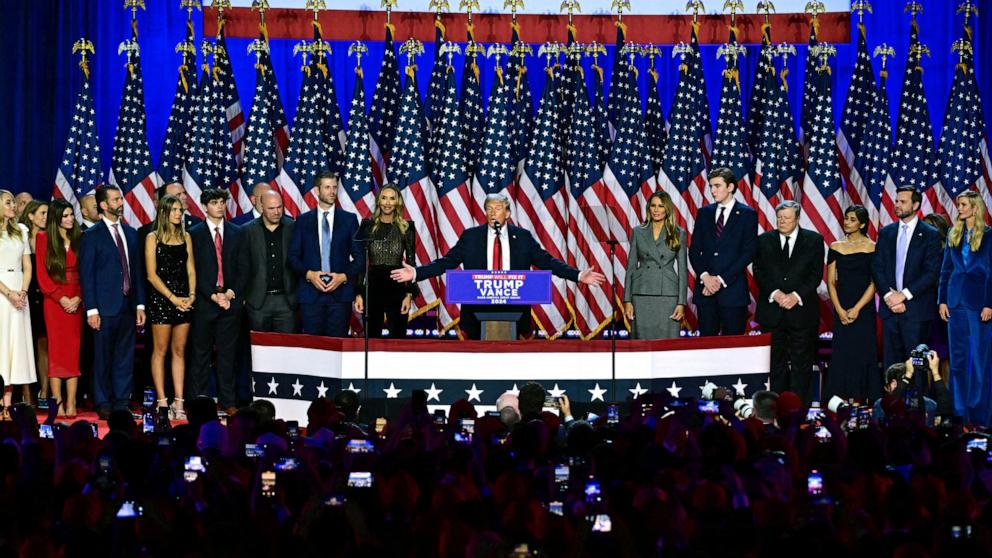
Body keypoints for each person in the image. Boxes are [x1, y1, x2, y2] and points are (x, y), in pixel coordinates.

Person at [390, 193, 605, 340]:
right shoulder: (471, 236)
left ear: (508, 213)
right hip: (477, 311)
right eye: (489, 209)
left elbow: (547, 261)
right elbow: (447, 262)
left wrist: (577, 276)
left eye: (498, 208)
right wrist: (416, 272)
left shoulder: (522, 237)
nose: (493, 213)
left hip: (514, 311)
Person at [79, 185, 146, 419]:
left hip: (127, 306)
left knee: (124, 357)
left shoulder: (131, 233)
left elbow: (136, 271)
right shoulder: (91, 235)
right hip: (104, 308)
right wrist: (92, 310)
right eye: (116, 199)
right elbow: (87, 276)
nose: (121, 202)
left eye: (121, 198)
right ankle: (102, 401)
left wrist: (140, 305)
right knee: (102, 357)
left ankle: (121, 401)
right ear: (104, 205)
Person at [871, 186, 942, 392]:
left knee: (917, 365)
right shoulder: (886, 233)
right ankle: (892, 408)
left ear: (916, 205)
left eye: (903, 201)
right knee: (891, 365)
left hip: (917, 311)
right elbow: (877, 267)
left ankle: (918, 411)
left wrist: (903, 295)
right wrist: (888, 296)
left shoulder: (930, 235)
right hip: (890, 310)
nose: (897, 205)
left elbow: (931, 272)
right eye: (897, 200)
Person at [753, 201, 824, 403]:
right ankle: (774, 407)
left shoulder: (814, 240)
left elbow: (815, 275)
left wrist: (795, 296)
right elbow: (758, 271)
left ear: (798, 218)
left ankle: (797, 409)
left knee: (802, 365)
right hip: (772, 313)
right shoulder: (764, 240)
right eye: (779, 217)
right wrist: (775, 293)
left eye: (787, 218)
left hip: (802, 313)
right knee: (775, 364)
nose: (782, 221)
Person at [188, 189, 246, 416]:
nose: (220, 206)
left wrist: (230, 294)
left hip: (230, 304)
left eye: (222, 202)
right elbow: (194, 271)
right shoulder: (194, 234)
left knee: (227, 355)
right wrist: (212, 295)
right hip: (205, 303)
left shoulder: (237, 232)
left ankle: (227, 400)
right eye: (214, 202)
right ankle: (198, 401)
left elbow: (244, 268)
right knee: (200, 354)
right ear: (204, 206)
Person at [938, 191, 992, 425]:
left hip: (979, 303)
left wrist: (990, 303)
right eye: (958, 205)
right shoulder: (954, 232)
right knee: (958, 359)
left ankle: (979, 414)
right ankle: (959, 412)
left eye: (963, 205)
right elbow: (946, 270)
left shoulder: (989, 236)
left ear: (974, 208)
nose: (958, 208)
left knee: (979, 360)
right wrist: (942, 300)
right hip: (955, 301)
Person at [288, 172, 364, 337]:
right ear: (317, 190)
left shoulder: (349, 219)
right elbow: (293, 257)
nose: (332, 192)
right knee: (313, 349)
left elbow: (360, 257)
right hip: (310, 296)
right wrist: (310, 275)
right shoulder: (302, 221)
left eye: (335, 187)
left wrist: (343, 277)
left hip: (340, 296)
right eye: (327, 187)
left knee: (337, 349)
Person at [688, 167, 758, 336]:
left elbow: (748, 253)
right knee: (706, 346)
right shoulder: (704, 213)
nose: (713, 191)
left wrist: (719, 280)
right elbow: (695, 250)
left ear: (730, 187)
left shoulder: (747, 214)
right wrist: (705, 277)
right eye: (711, 186)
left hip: (732, 292)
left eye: (717, 186)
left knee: (732, 347)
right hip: (706, 293)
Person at [145, 194, 196, 420]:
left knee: (179, 351)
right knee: (161, 350)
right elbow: (151, 275)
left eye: (180, 210)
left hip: (184, 300)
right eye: (174, 210)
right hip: (162, 299)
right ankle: (162, 400)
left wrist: (191, 295)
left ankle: (179, 400)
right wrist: (172, 298)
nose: (178, 213)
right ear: (164, 212)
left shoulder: (186, 236)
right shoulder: (152, 237)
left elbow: (191, 269)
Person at [825, 205, 878, 402]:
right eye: (846, 218)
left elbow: (875, 283)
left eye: (852, 219)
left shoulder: (872, 247)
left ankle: (862, 397)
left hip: (863, 308)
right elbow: (831, 282)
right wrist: (839, 310)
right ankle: (839, 399)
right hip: (841, 306)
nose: (847, 222)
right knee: (842, 352)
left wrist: (857, 308)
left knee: (863, 351)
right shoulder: (835, 247)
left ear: (862, 224)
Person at [35, 200, 83, 418]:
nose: (70, 219)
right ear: (56, 219)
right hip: (54, 303)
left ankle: (72, 403)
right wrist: (60, 297)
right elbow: (42, 276)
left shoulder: (80, 237)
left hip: (76, 301)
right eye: (65, 215)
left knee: (73, 353)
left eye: (71, 214)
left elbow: (87, 272)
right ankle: (58, 403)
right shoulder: (43, 238)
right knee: (56, 353)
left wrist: (78, 298)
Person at [354, 185, 417, 338]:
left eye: (392, 198)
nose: (387, 203)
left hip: (397, 285)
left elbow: (411, 262)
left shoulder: (406, 227)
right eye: (384, 198)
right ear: (378, 201)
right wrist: (358, 294)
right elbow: (361, 263)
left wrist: (409, 294)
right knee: (372, 337)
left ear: (397, 202)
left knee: (398, 338)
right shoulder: (367, 226)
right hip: (372, 287)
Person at [623, 191, 687, 339]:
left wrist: (681, 303)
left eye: (660, 206)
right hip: (641, 293)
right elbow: (631, 267)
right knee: (641, 343)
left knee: (667, 343)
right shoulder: (638, 232)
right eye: (653, 206)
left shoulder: (678, 233)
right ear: (648, 208)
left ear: (667, 209)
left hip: (668, 294)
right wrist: (627, 300)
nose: (656, 210)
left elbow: (683, 270)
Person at [0, 190, 37, 419]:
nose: (13, 205)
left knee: (14, 348)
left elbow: (28, 266)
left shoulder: (21, 231)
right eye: (8, 202)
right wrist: (8, 293)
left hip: (19, 295)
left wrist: (22, 292)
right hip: (2, 293)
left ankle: (7, 405)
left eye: (14, 201)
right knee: (2, 346)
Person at [242, 189, 297, 333]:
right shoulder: (247, 231)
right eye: (271, 208)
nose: (277, 212)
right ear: (261, 207)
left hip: (287, 300)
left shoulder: (294, 227)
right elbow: (242, 266)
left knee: (286, 349)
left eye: (280, 207)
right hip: (258, 301)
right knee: (259, 351)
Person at [872, 350, 951, 426]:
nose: (899, 387)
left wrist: (935, 372)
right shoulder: (879, 405)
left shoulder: (928, 404)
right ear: (886, 388)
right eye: (894, 384)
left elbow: (946, 413)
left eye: (901, 382)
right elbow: (892, 404)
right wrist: (908, 375)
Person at [19, 200, 48, 405]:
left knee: (43, 345)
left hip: (45, 296)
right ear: (30, 216)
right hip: (24, 296)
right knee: (23, 345)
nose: (46, 217)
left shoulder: (49, 239)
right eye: (42, 213)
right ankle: (25, 394)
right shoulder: (20, 237)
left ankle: (45, 392)